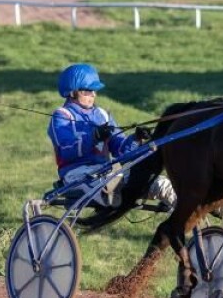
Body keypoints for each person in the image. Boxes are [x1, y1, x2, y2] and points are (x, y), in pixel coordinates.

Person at [48, 63, 176, 209]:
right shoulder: (62, 116)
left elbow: (120, 150)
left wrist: (136, 138)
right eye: (88, 91)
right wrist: (93, 137)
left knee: (162, 184)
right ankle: (111, 193)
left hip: (107, 172)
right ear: (73, 92)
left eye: (94, 90)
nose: (94, 95)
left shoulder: (102, 114)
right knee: (113, 179)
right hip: (76, 175)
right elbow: (66, 151)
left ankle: (194, 219)